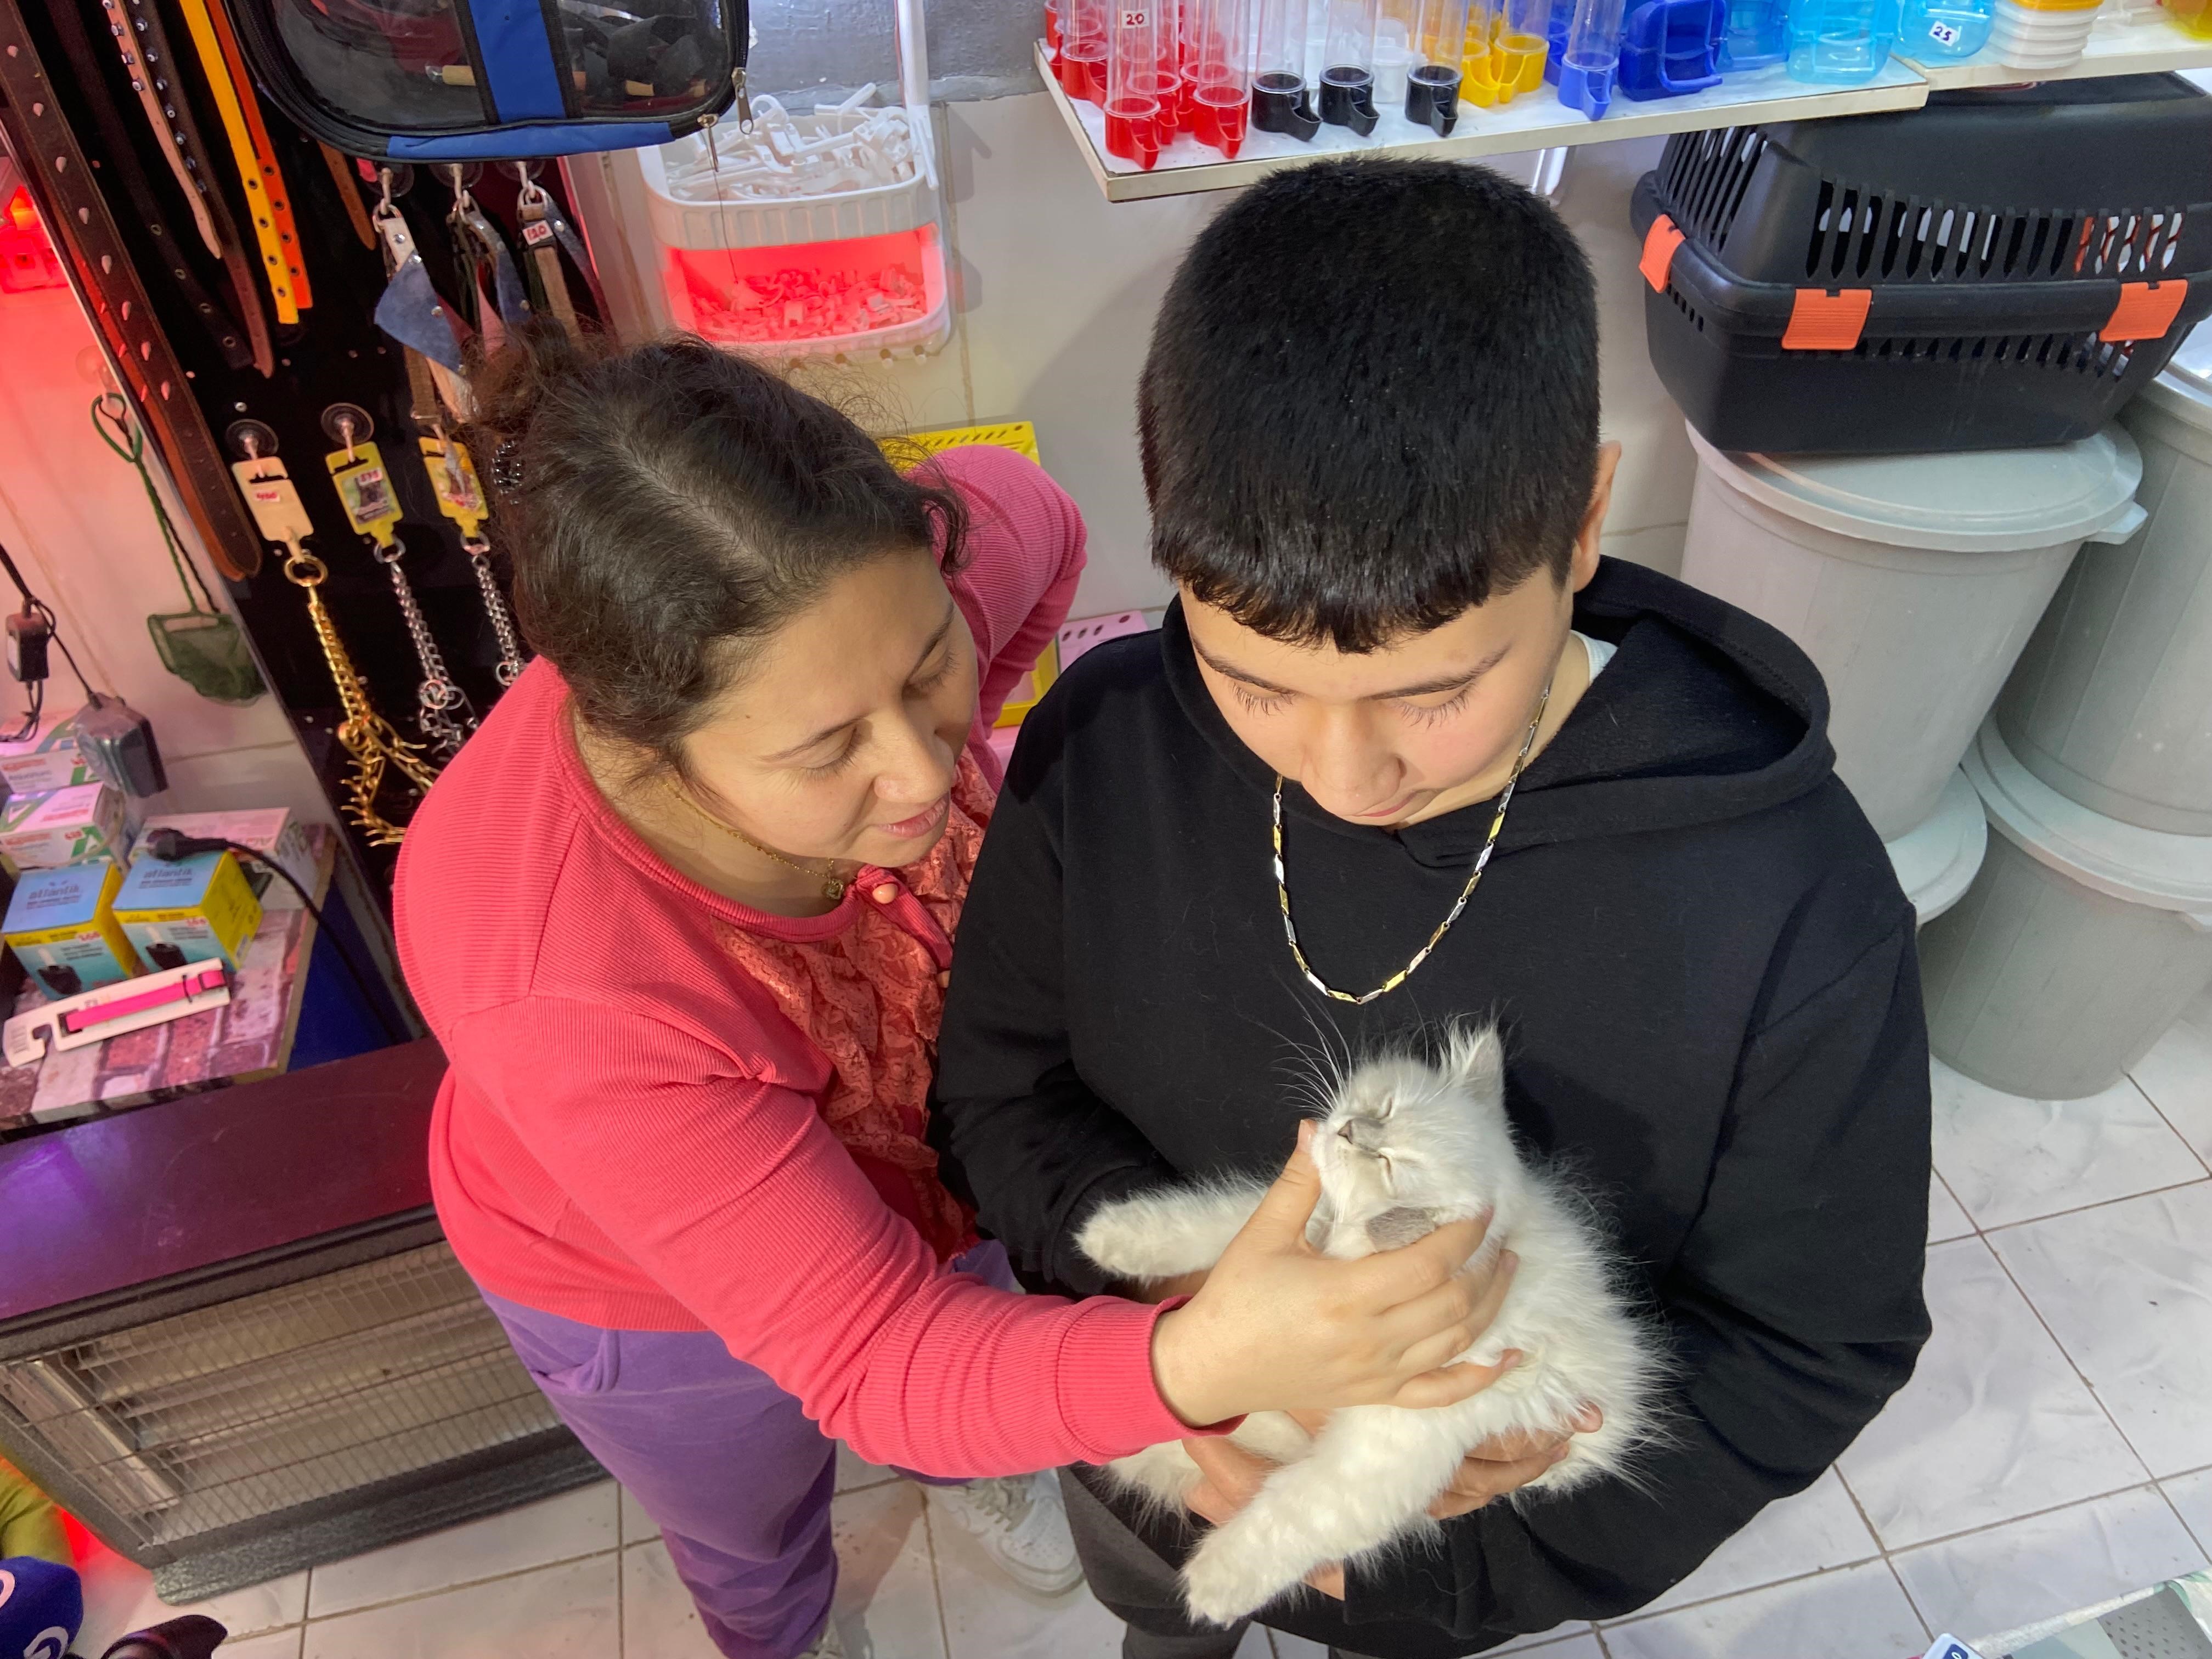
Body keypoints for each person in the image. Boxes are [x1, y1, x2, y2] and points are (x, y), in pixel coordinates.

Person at [930, 159, 1934, 1659]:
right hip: (1145, 1421)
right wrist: (1208, 1337)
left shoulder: (1788, 899)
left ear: (1582, 525)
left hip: (1448, 1550)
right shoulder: (1109, 739)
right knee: (1163, 1611)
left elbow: (1814, 1343)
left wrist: (1453, 1552)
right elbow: (995, 1096)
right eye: (1254, 683)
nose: (1345, 775)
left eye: (1436, 692)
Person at [392, 329, 1515, 1659]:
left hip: (941, 1152)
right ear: (649, 738)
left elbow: (1039, 516)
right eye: (828, 751)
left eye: (931, 664)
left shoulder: (873, 600)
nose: (927, 776)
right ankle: (784, 1632)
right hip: (638, 1293)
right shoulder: (559, 980)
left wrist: (963, 708)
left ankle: (963, 1458)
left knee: (976, 1347)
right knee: (750, 1522)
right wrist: (1201, 1367)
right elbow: (873, 1353)